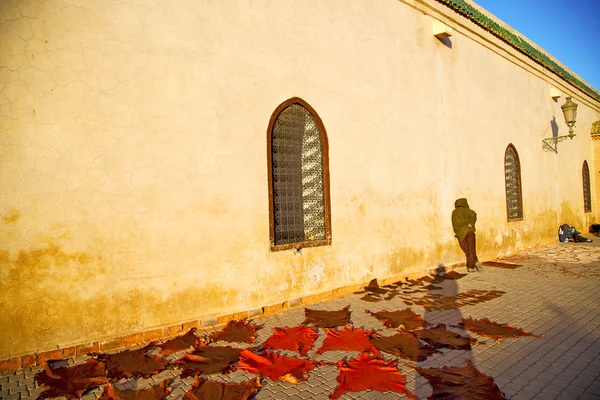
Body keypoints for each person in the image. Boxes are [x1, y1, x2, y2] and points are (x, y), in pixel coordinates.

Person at [452, 198, 483, 272]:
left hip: (460, 234)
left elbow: (454, 223)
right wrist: (471, 223)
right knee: (471, 250)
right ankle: (471, 266)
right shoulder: (467, 210)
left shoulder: (454, 212)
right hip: (469, 232)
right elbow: (474, 215)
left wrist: (457, 230)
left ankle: (475, 262)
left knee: (467, 251)